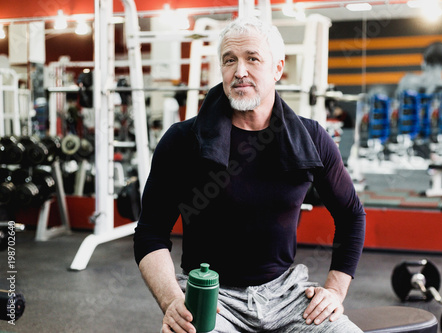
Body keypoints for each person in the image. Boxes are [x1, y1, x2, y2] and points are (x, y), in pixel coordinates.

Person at [134, 16, 366, 333]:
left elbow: (352, 213)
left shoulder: (310, 138)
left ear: (278, 69)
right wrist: (172, 300)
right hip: (211, 295)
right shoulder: (183, 140)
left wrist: (336, 290)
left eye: (252, 59)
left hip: (288, 295)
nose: (239, 71)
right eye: (230, 61)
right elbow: (150, 231)